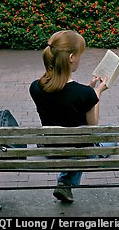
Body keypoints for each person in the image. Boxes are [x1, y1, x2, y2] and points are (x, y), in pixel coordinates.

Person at [29, 30, 109, 203]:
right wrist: (96, 94)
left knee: (86, 142)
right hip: (77, 150)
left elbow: (66, 101)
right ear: (71, 57)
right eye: (81, 55)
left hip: (50, 147)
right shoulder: (84, 94)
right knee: (105, 142)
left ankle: (65, 182)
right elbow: (93, 127)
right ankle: (65, 181)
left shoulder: (35, 87)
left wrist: (89, 91)